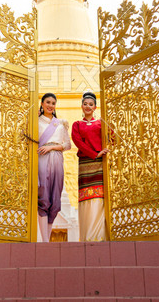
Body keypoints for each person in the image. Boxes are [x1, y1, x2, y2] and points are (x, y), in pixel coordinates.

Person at [71, 91, 109, 241]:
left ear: (95, 107)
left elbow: (112, 137)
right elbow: (77, 142)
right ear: (82, 106)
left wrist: (104, 151)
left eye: (91, 104)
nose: (88, 106)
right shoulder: (77, 124)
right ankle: (87, 235)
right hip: (86, 162)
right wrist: (94, 154)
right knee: (86, 196)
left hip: (100, 163)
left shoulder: (101, 123)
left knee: (99, 195)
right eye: (85, 104)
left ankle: (99, 234)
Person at [37, 92, 71, 242]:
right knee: (43, 196)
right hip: (42, 159)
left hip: (56, 158)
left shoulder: (61, 123)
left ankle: (48, 238)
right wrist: (32, 115)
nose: (50, 105)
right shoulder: (35, 121)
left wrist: (52, 148)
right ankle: (44, 240)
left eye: (53, 103)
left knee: (55, 199)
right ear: (42, 104)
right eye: (48, 102)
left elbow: (68, 145)